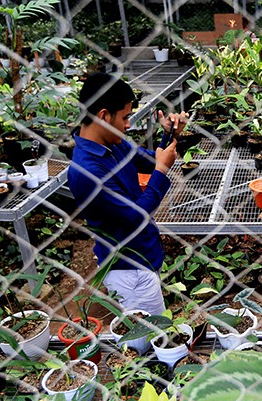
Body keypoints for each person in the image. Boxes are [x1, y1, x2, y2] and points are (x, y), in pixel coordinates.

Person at [68, 73, 187, 315]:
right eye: (125, 117)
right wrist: (162, 169)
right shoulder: (87, 172)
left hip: (142, 253)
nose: (128, 124)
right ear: (103, 116)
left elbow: (147, 160)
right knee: (151, 334)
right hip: (128, 270)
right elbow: (137, 216)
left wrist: (170, 135)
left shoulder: (113, 143)